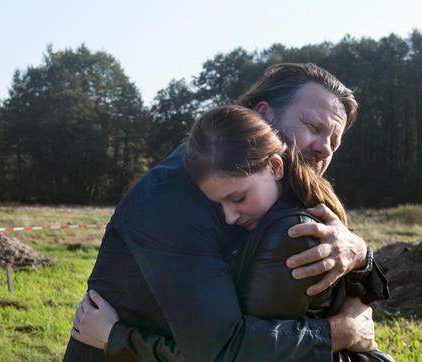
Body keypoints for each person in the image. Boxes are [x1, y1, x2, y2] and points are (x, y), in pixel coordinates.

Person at [64, 63, 385, 361]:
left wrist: (360, 253)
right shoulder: (174, 198)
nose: (325, 147)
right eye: (314, 127)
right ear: (264, 115)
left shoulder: (282, 196)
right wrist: (341, 332)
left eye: (335, 141)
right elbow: (222, 349)